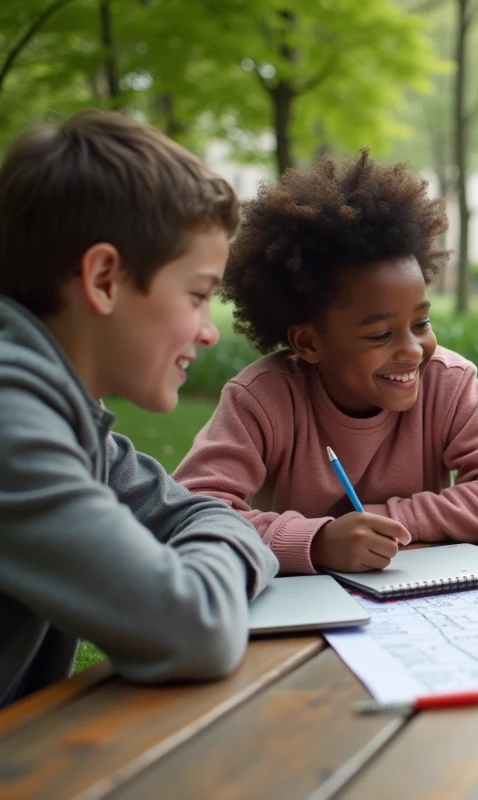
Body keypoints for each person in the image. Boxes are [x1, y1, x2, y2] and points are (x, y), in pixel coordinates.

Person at [0, 110, 279, 706]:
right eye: (199, 296)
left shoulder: (70, 421)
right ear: (104, 278)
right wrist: (226, 553)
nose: (208, 332)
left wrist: (220, 541)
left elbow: (201, 514)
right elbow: (192, 628)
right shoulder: (11, 421)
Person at [174, 152, 478, 574]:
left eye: (421, 322)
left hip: (415, 601)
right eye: (381, 334)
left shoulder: (448, 384)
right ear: (308, 342)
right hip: (302, 612)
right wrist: (318, 541)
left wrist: (388, 522)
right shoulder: (262, 400)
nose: (413, 350)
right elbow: (192, 513)